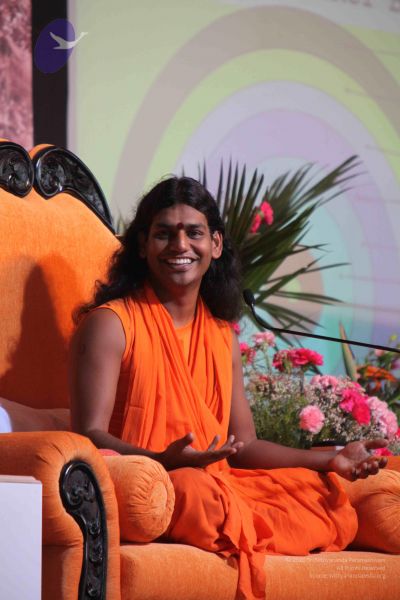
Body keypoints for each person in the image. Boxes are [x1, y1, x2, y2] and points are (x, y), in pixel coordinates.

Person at [69, 176, 388, 600]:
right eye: (164, 233)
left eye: (194, 232)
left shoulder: (221, 335)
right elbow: (87, 435)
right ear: (143, 245)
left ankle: (242, 521)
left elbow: (244, 445)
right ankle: (234, 520)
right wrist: (161, 460)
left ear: (215, 244)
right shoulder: (111, 324)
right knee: (194, 491)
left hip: (217, 484)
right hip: (150, 484)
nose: (180, 245)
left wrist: (328, 460)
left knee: (322, 496)